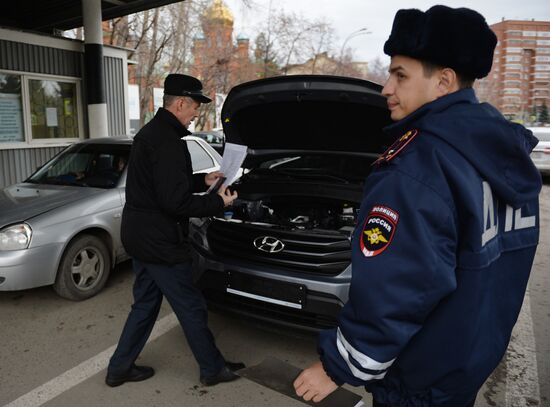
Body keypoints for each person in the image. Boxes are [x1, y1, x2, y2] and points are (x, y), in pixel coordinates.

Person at [294, 5, 541, 407]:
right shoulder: (503, 157)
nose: (386, 88)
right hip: (467, 365)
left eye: (400, 75)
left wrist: (336, 367)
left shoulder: (417, 169)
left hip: (418, 381)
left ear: (443, 81)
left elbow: (398, 289)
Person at [106, 73, 243, 388]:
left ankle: (119, 368)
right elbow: (175, 203)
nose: (197, 113)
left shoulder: (151, 134)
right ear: (181, 102)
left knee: (145, 304)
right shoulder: (168, 141)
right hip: (160, 242)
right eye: (195, 105)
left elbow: (163, 185)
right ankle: (212, 368)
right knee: (191, 306)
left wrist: (203, 181)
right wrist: (218, 203)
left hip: (140, 236)